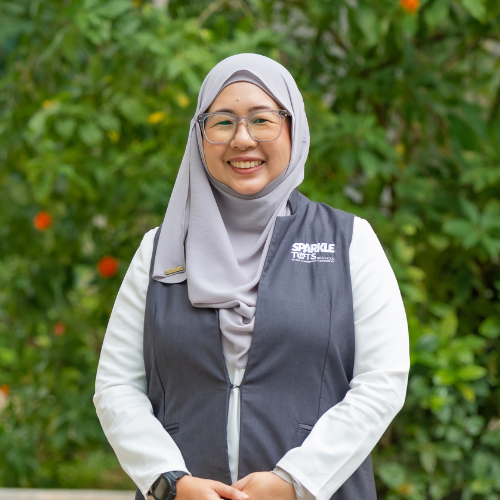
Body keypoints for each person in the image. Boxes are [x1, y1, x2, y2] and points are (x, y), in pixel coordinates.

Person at [94, 53, 410, 500]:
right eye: (222, 122)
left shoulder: (348, 241)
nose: (242, 139)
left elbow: (382, 381)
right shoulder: (160, 250)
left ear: (293, 128)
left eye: (262, 120)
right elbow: (117, 386)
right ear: (199, 135)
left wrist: (295, 481)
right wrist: (169, 481)